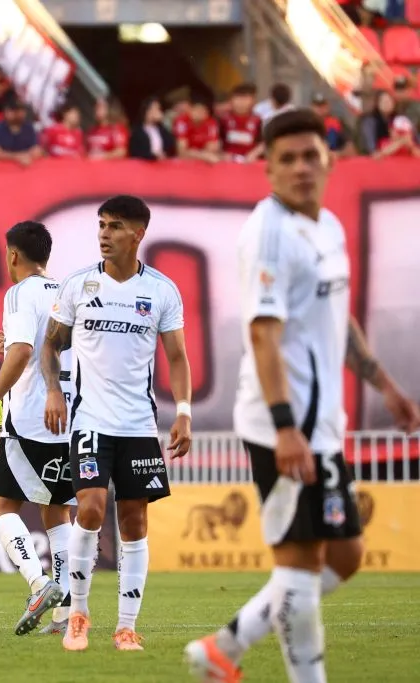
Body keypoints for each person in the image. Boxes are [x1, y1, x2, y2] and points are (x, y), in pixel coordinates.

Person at [184, 108, 420, 683]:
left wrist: (383, 383)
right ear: (266, 168)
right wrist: (286, 426)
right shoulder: (268, 235)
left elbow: (335, 320)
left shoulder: (329, 228)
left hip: (322, 427)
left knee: (345, 555)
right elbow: (263, 335)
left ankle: (224, 649)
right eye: (285, 159)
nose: (300, 168)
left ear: (329, 159)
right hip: (279, 425)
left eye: (310, 155)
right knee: (299, 568)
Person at [41, 194, 193, 652]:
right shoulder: (78, 285)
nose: (104, 233)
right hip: (90, 420)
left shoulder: (161, 290)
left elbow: (178, 356)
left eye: (115, 226)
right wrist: (53, 389)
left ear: (138, 234)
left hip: (139, 426)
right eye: (101, 224)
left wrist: (184, 411)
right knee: (88, 508)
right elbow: (51, 344)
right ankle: (78, 617)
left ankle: (126, 626)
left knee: (134, 520)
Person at [0, 221, 75, 636]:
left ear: (12, 255)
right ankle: (65, 612)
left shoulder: (20, 293)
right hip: (71, 419)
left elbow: (22, 351)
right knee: (57, 511)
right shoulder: (69, 291)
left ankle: (38, 584)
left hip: (32, 419)